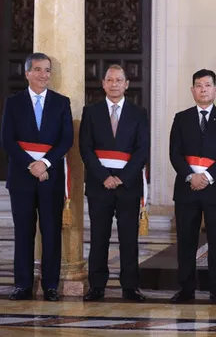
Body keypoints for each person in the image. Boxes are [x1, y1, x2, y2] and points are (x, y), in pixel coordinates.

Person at [0, 52, 73, 301]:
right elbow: (7, 140)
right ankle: (22, 285)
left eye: (48, 70)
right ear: (28, 73)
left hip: (50, 177)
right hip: (22, 177)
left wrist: (44, 163)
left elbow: (66, 139)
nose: (44, 75)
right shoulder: (14, 102)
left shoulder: (62, 102)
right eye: (39, 70)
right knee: (23, 232)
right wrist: (30, 165)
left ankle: (50, 286)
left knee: (51, 231)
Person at [169, 69, 216, 304]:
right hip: (187, 189)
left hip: (215, 188)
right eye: (198, 85)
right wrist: (191, 177)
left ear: (215, 89)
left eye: (207, 85)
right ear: (192, 90)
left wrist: (208, 177)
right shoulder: (181, 118)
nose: (203, 89)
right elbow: (175, 154)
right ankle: (186, 289)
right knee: (186, 240)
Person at [79, 64, 150, 302]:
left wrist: (122, 177)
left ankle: (130, 287)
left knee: (129, 238)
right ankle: (96, 286)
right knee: (99, 237)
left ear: (126, 84)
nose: (114, 84)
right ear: (103, 83)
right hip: (100, 185)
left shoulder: (139, 113)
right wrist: (104, 177)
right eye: (110, 80)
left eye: (119, 80)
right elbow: (85, 149)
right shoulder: (91, 112)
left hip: (127, 186)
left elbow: (142, 150)